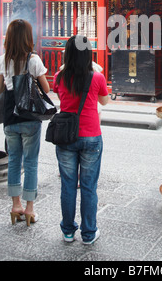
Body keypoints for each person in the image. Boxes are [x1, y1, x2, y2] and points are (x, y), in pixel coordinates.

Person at [53, 35, 108, 244]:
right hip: (91, 136)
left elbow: (61, 97)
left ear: (67, 52)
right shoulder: (96, 78)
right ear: (88, 54)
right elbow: (105, 101)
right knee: (88, 186)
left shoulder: (59, 76)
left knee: (67, 185)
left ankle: (68, 231)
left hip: (66, 136)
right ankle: (88, 233)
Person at [0, 19, 50, 227]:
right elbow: (46, 89)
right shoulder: (33, 60)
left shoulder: (2, 60)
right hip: (30, 118)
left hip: (10, 117)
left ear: (9, 38)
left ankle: (15, 206)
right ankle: (30, 208)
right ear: (28, 37)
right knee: (31, 163)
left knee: (13, 162)